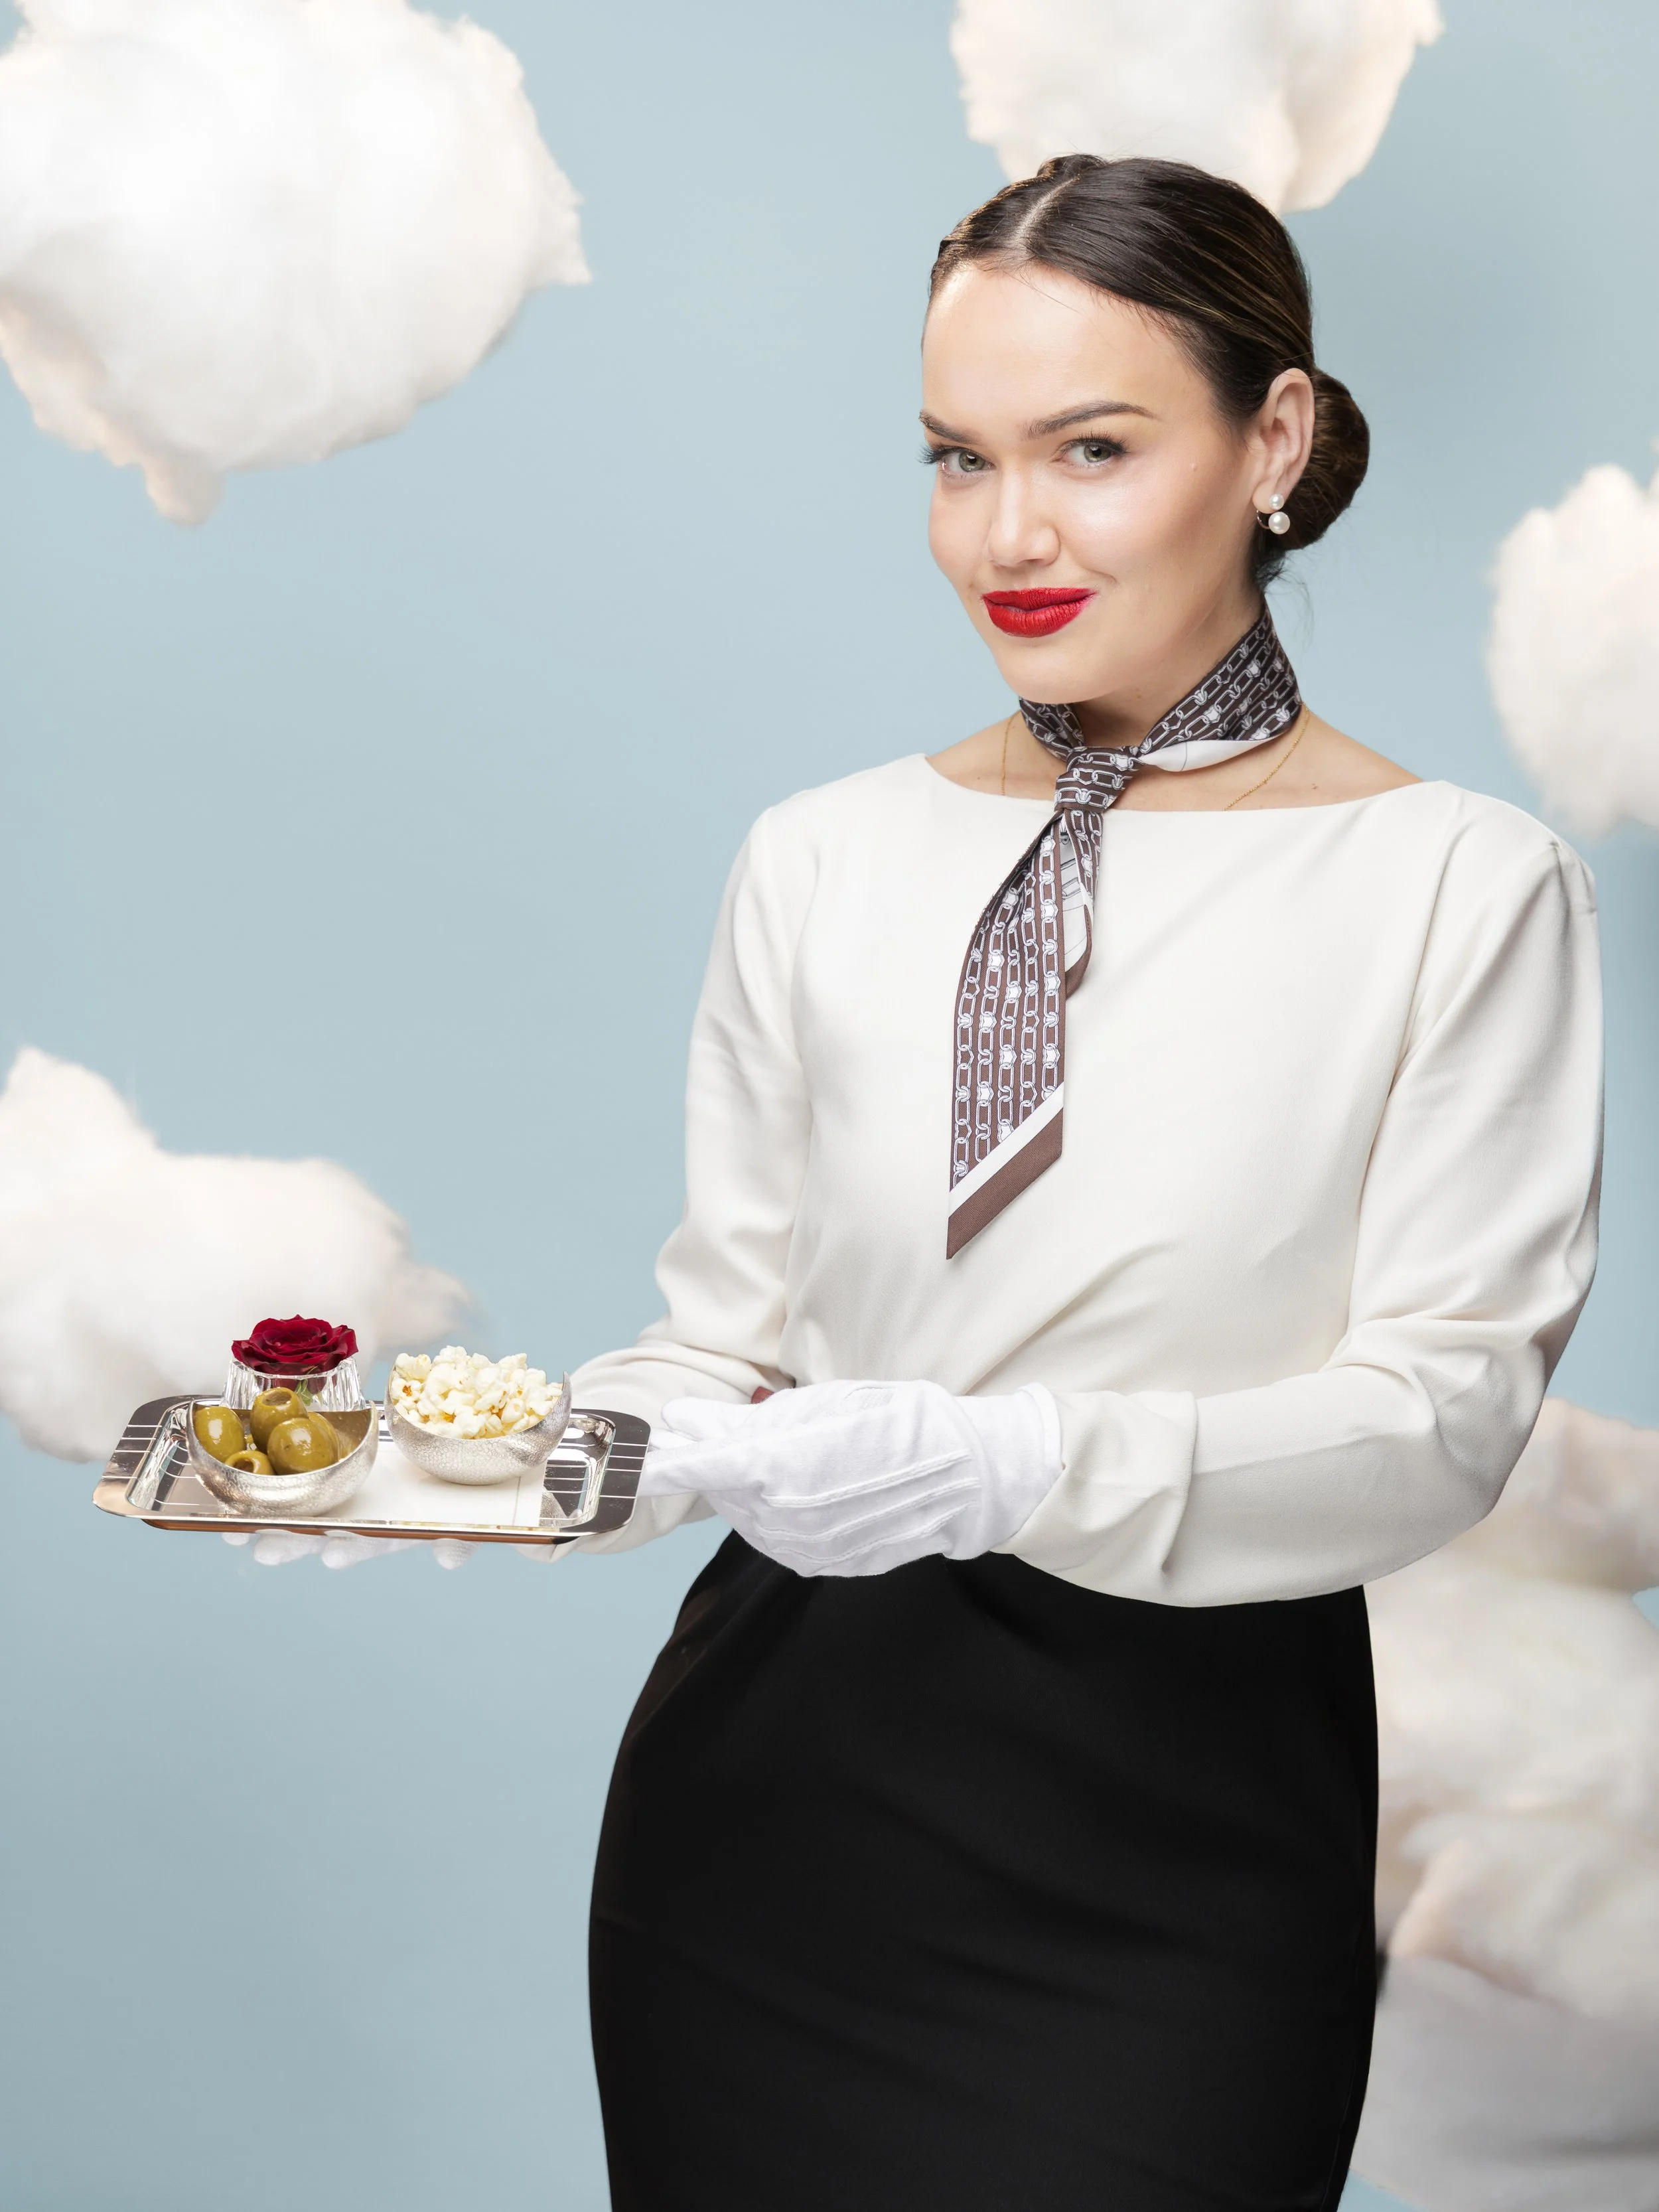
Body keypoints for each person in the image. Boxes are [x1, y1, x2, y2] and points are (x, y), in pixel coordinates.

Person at [562, 154, 1603, 2212]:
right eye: (957, 459)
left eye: (1091, 449)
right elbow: (727, 1332)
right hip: (771, 1791)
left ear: (1272, 437)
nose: (1007, 534)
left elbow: (1443, 1417)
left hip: (1185, 1808)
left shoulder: (1458, 885)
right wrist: (548, 1454)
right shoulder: (818, 853)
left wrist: (1009, 1461)